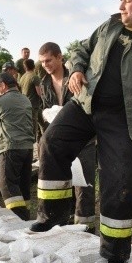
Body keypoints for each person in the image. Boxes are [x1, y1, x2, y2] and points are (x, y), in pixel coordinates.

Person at [30, 0, 132, 263]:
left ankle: (115, 250)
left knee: (118, 181)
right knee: (51, 143)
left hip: (121, 118)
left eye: (128, 0)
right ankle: (54, 215)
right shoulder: (108, 26)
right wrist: (78, 69)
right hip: (85, 104)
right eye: (121, 0)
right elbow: (82, 48)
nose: (121, 5)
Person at [38, 41, 97, 232]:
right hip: (60, 139)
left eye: (49, 60)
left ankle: (85, 227)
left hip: (83, 139)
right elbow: (45, 106)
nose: (45, 65)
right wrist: (47, 114)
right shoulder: (44, 83)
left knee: (84, 185)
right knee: (60, 179)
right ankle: (60, 221)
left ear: (59, 57)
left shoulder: (76, 74)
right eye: (42, 62)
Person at [0, 72, 34, 220]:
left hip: (11, 147)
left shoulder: (0, 101)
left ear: (3, 85)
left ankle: (18, 218)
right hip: (28, 147)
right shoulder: (26, 99)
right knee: (23, 184)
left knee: (7, 185)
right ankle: (26, 216)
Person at [18, 59, 42, 146]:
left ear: (25, 67)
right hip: (33, 105)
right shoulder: (34, 76)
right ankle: (32, 147)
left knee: (41, 123)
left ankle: (42, 140)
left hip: (24, 105)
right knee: (34, 128)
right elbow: (39, 93)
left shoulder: (22, 77)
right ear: (34, 66)